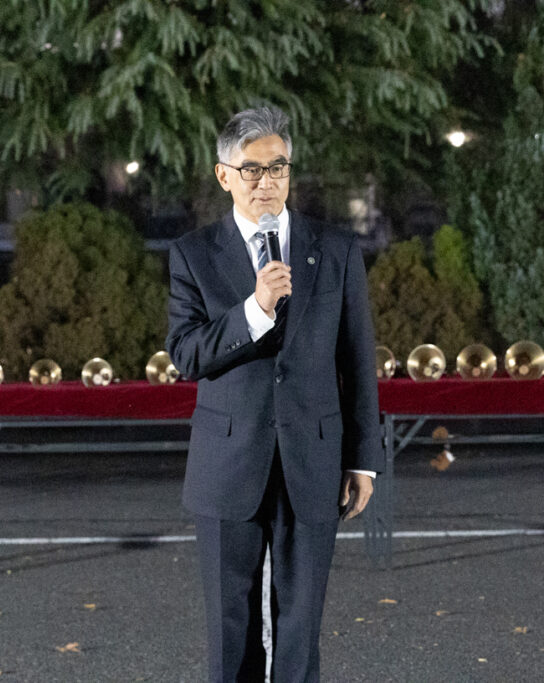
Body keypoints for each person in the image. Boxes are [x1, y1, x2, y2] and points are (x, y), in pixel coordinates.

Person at [165, 105, 383, 682]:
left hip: (313, 461)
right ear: (224, 175)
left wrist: (363, 459)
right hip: (226, 463)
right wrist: (255, 310)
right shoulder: (193, 253)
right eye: (253, 170)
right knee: (228, 629)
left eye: (278, 167)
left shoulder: (334, 248)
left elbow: (357, 359)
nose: (267, 181)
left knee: (301, 626)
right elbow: (186, 355)